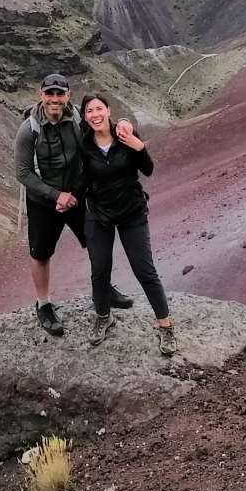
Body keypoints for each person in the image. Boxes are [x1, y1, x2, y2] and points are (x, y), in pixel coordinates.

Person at [15, 74, 132, 336]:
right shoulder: (29, 129)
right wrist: (56, 196)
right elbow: (22, 173)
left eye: (60, 94)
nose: (55, 99)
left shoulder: (79, 119)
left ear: (68, 95)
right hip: (43, 202)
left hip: (77, 196)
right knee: (40, 253)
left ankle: (103, 289)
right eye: (50, 94)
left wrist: (123, 122)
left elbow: (105, 128)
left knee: (94, 241)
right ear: (41, 95)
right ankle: (43, 305)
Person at [79, 95, 177, 356]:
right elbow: (78, 179)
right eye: (89, 110)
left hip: (132, 213)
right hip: (98, 214)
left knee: (144, 270)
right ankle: (103, 316)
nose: (95, 114)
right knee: (99, 269)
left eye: (99, 108)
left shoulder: (124, 134)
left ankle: (165, 326)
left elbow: (148, 169)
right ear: (85, 117)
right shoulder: (83, 144)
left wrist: (139, 146)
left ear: (109, 111)